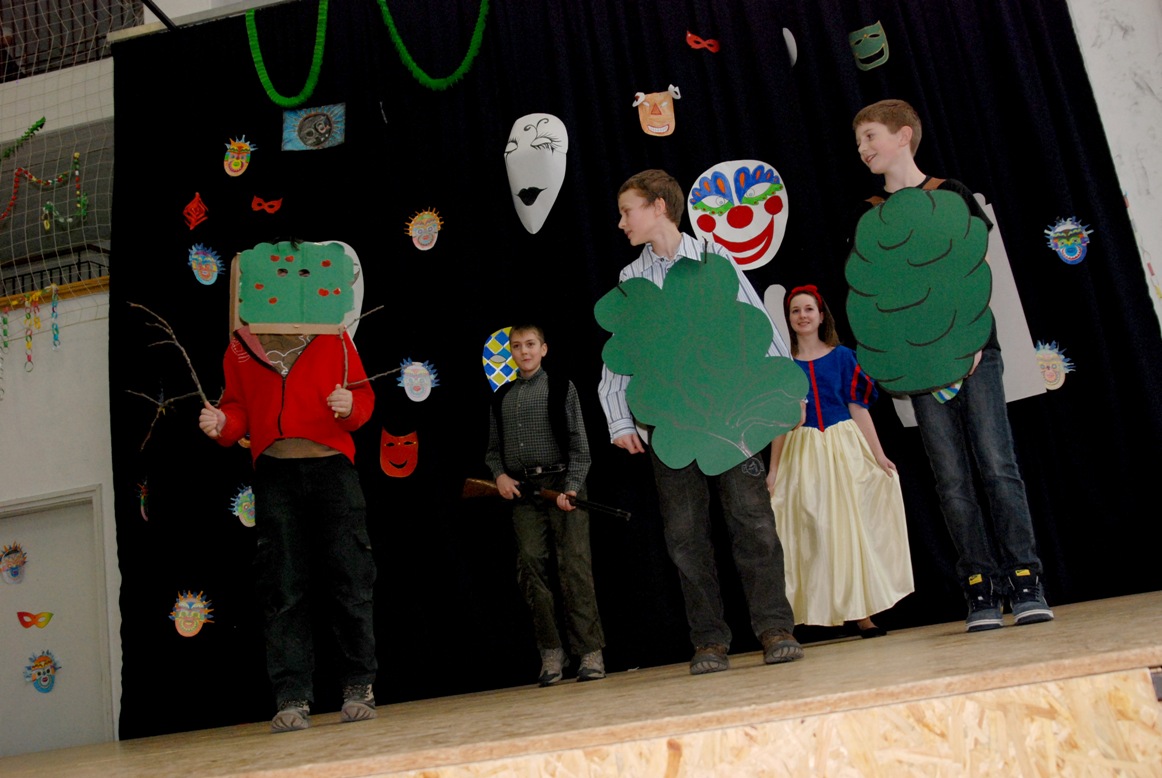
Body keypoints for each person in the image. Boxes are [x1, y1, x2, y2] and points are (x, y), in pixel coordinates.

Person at [852, 98, 1054, 631]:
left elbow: (976, 267)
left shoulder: (953, 193)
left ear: (903, 135)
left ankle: (1026, 580)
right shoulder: (870, 212)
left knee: (998, 467)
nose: (863, 148)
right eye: (859, 142)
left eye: (871, 136)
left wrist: (967, 344)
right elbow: (875, 294)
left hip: (975, 355)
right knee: (951, 481)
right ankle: (979, 587)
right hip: (921, 368)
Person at [597, 168, 802, 674]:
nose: (621, 222)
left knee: (753, 522)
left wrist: (785, 391)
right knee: (685, 536)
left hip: (731, 418)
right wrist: (619, 418)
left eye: (627, 211)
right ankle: (709, 639)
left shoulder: (716, 258)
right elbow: (623, 351)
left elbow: (757, 324)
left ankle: (775, 628)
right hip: (670, 426)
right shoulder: (631, 278)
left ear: (658, 207)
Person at [198, 327, 378, 732]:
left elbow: (363, 399)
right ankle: (291, 695)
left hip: (332, 467)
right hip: (275, 473)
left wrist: (350, 405)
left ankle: (358, 686)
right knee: (282, 584)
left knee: (349, 575)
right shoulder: (241, 344)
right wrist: (224, 423)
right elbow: (237, 408)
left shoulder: (333, 335)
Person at [767, 285, 913, 637]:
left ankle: (863, 613)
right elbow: (780, 424)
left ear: (821, 316)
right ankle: (815, 608)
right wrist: (774, 469)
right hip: (803, 452)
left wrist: (878, 455)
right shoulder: (783, 366)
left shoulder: (844, 357)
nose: (802, 316)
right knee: (813, 529)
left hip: (843, 447)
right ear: (788, 319)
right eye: (795, 311)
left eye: (808, 309)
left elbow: (857, 408)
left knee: (851, 528)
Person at [485, 324, 606, 686]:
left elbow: (581, 446)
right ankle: (551, 652)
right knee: (530, 567)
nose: (524, 351)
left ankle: (590, 652)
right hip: (525, 492)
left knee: (575, 566)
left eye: (530, 344)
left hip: (563, 485)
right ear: (510, 352)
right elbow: (493, 451)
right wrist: (499, 476)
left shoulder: (561, 387)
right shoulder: (501, 397)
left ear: (544, 349)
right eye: (517, 346)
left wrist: (572, 488)